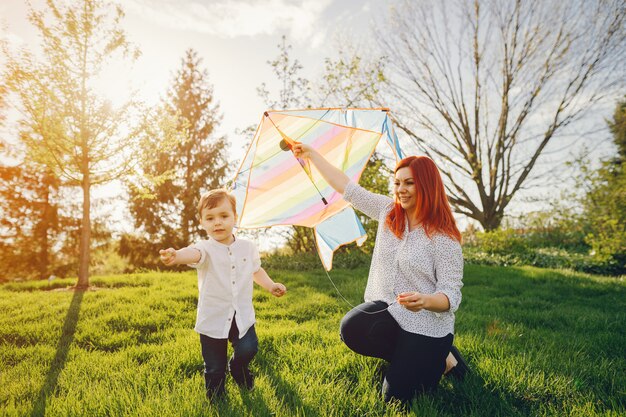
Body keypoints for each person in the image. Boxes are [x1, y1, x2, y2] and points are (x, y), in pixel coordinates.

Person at [293, 143, 468, 404]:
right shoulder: (388, 212)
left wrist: (425, 300)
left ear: (427, 185)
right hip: (392, 311)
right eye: (397, 183)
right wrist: (312, 155)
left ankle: (440, 358)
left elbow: (451, 295)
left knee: (394, 400)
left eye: (409, 183)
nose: (400, 190)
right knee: (351, 328)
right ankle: (425, 358)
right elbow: (348, 188)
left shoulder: (444, 238)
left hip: (428, 326)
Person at [159, 189, 287, 400]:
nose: (217, 222)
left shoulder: (247, 247)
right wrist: (177, 256)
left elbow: (255, 270)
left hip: (241, 314)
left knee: (249, 348)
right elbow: (193, 254)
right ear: (201, 222)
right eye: (210, 218)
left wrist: (270, 285)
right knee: (214, 367)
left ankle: (238, 367)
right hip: (213, 316)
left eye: (224, 216)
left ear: (235, 218)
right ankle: (217, 399)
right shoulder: (205, 248)